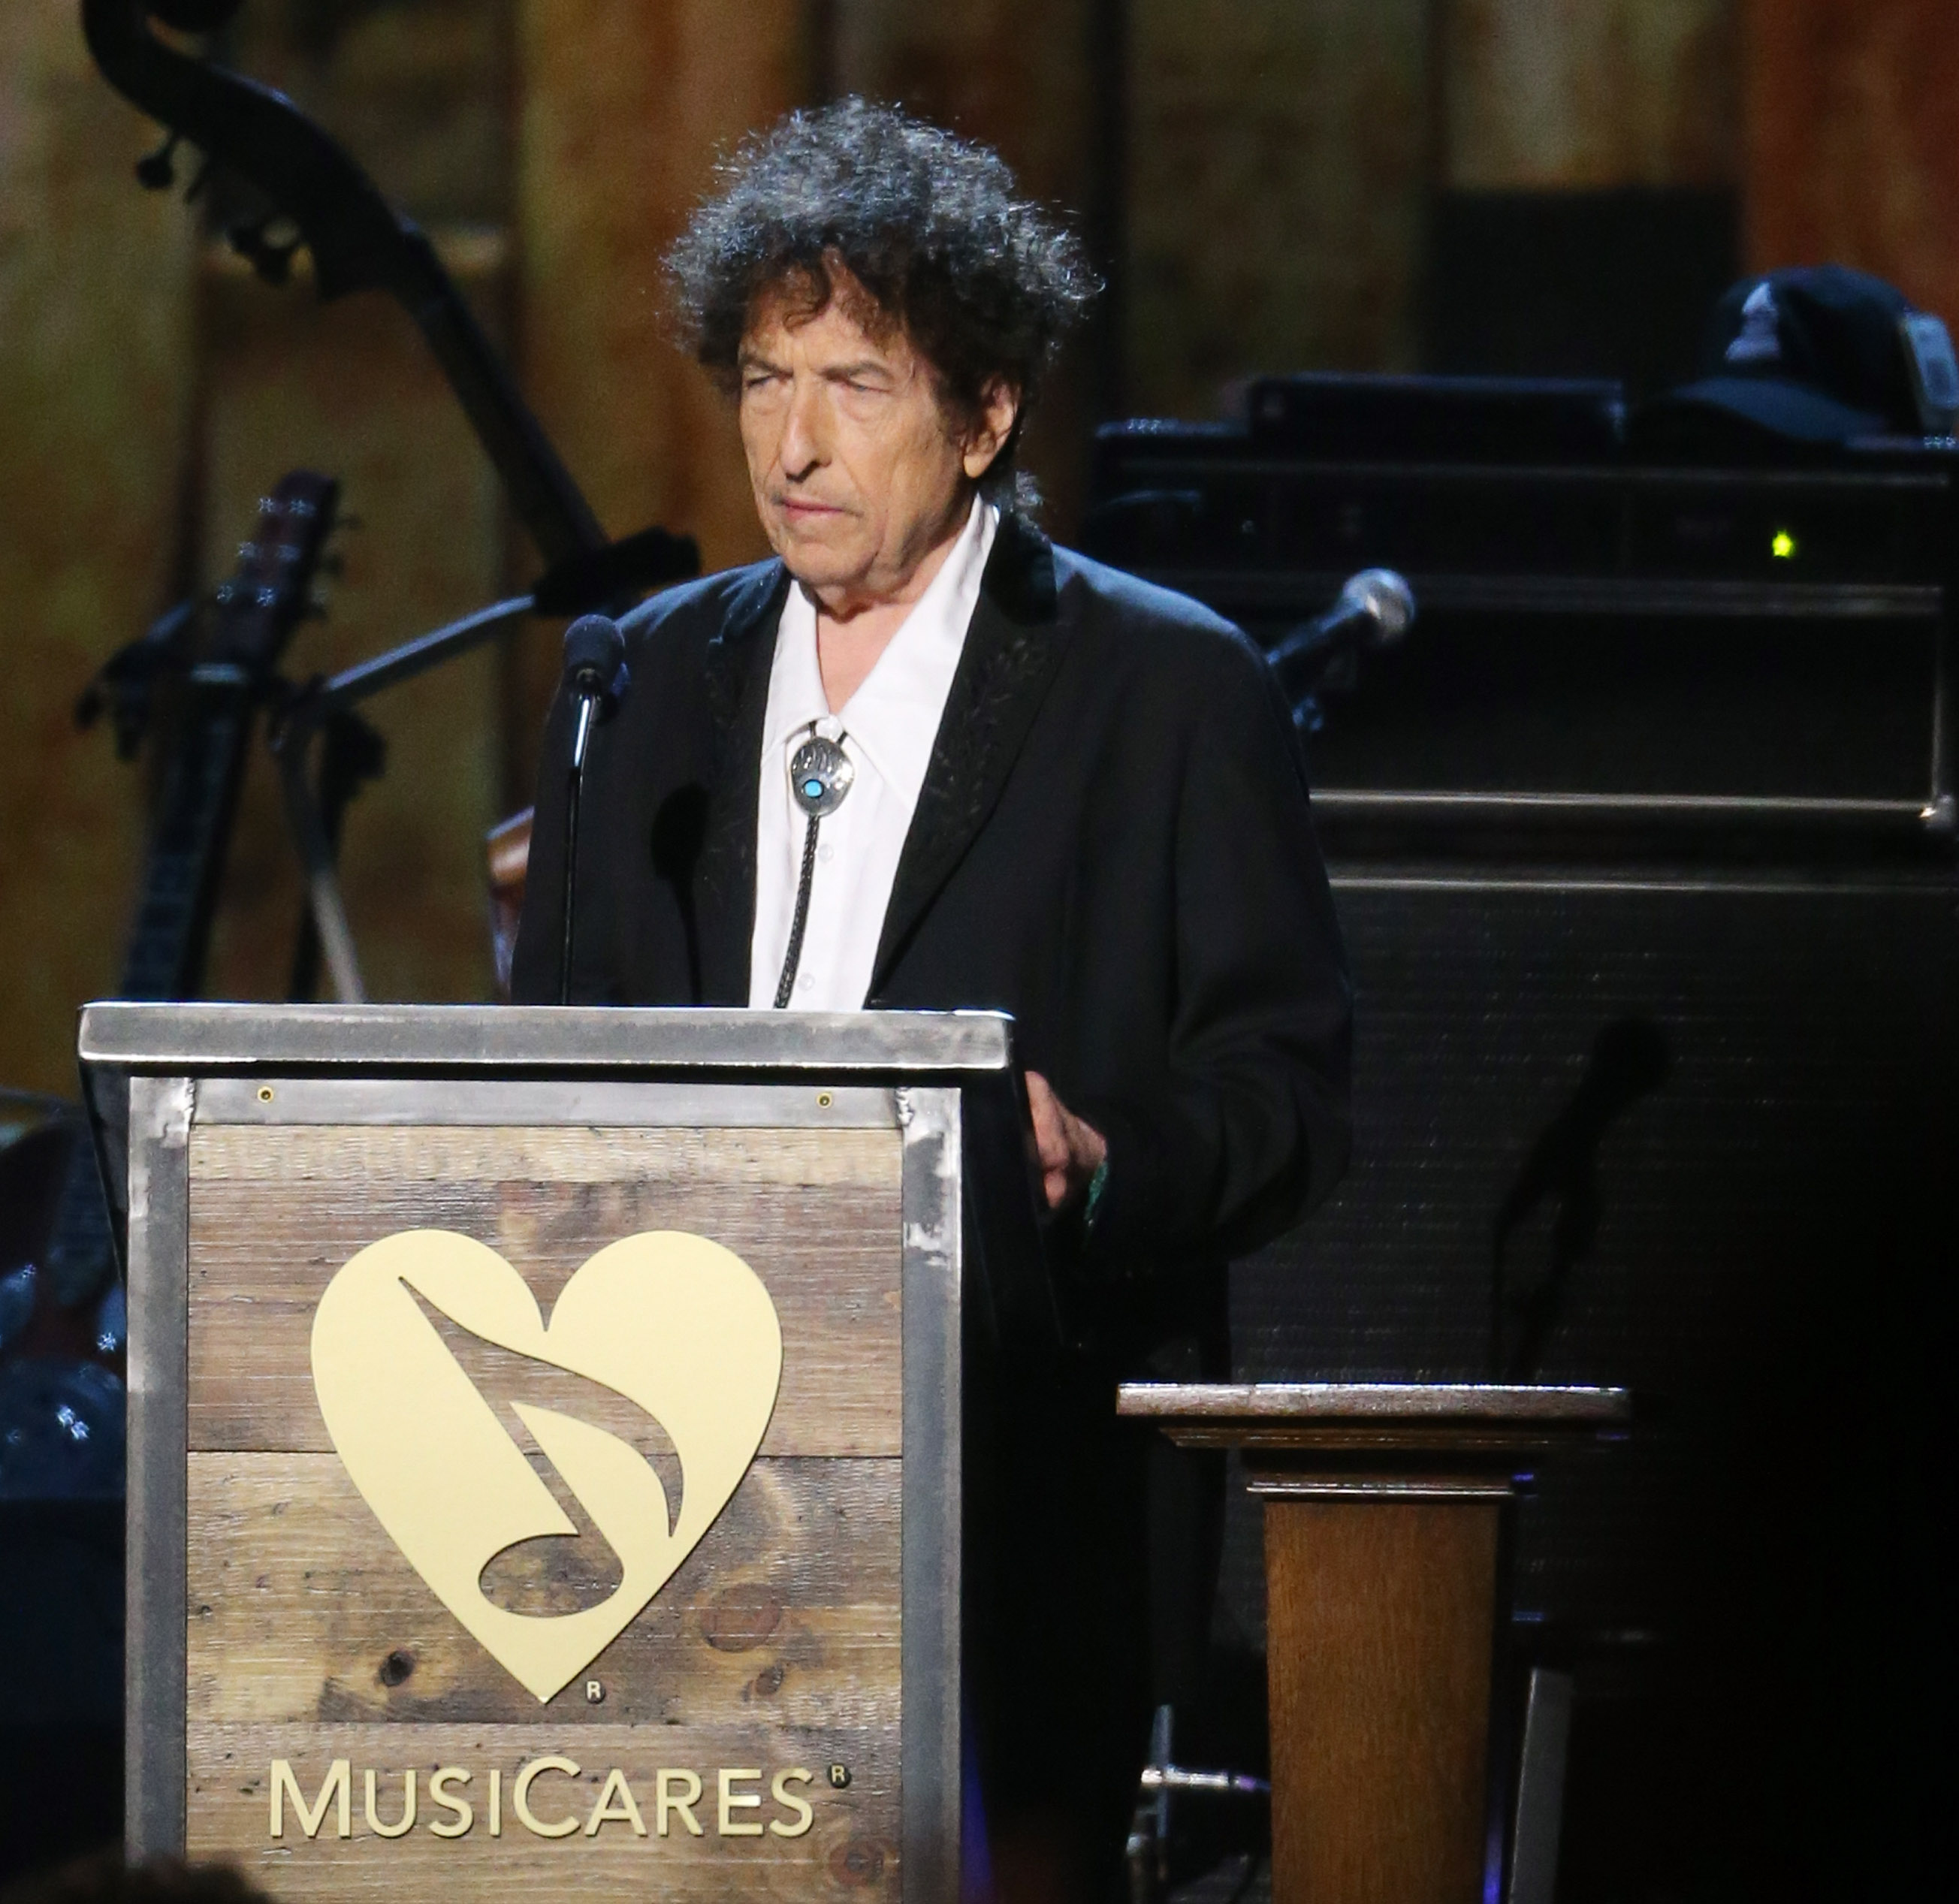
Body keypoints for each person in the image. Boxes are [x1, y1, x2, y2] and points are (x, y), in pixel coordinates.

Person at [512, 98, 1351, 1899]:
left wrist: (1101, 1160)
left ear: (984, 415)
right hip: (661, 1462)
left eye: (855, 383)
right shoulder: (638, 681)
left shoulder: (1167, 689)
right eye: (759, 378)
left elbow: (1283, 1092)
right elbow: (553, 1065)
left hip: (1015, 1450)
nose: (792, 442)